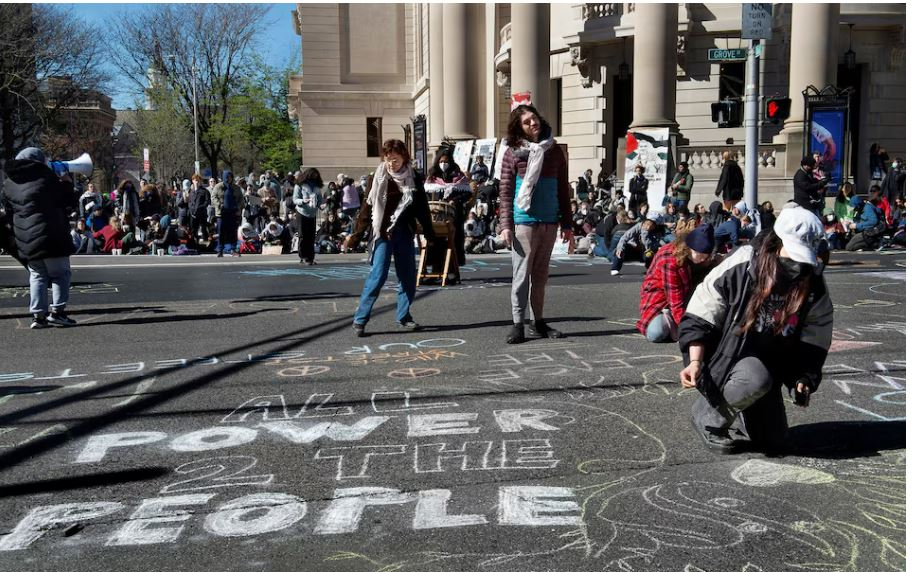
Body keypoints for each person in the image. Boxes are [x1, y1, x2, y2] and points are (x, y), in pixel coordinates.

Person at [679, 202, 833, 454]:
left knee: (774, 442)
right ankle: (708, 417)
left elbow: (817, 332)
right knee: (755, 378)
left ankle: (742, 410)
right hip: (727, 357)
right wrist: (695, 360)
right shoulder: (744, 263)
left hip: (770, 364)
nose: (796, 264)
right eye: (792, 254)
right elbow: (703, 309)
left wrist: (805, 376)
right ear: (778, 241)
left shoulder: (812, 280)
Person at [497, 104, 575, 343]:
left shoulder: (554, 150)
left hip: (549, 220)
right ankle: (517, 323)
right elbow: (506, 190)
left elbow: (563, 189)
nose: (533, 123)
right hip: (524, 221)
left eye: (535, 118)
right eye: (527, 121)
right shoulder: (512, 151)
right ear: (518, 128)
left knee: (540, 277)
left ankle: (537, 322)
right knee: (521, 275)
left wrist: (568, 224)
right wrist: (506, 225)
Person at [344, 139, 435, 336]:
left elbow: (422, 208)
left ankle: (404, 316)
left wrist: (429, 232)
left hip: (404, 231)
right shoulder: (376, 177)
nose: (391, 164)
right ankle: (360, 319)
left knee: (408, 276)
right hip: (382, 232)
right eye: (388, 160)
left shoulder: (413, 177)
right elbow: (366, 209)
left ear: (404, 158)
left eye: (395, 160)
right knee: (378, 275)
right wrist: (356, 236)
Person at [1, 147, 79, 328]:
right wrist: (67, 182)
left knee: (37, 275)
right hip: (50, 233)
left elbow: (9, 210)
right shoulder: (46, 178)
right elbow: (67, 201)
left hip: (25, 238)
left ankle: (38, 316)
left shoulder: (9, 184)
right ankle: (58, 313)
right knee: (60, 274)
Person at [637, 224, 716, 343]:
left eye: (706, 256)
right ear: (689, 247)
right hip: (660, 299)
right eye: (700, 255)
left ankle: (679, 323)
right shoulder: (669, 259)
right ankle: (675, 322)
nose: (702, 259)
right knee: (656, 333)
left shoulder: (695, 255)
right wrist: (689, 331)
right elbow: (675, 302)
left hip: (685, 292)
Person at [425, 147, 473, 269]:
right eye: (441, 161)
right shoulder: (432, 176)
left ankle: (452, 269)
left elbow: (467, 193)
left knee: (454, 242)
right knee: (436, 242)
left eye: (446, 162)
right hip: (436, 216)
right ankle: (435, 269)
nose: (443, 164)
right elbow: (425, 193)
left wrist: (454, 200)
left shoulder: (458, 175)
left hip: (454, 215)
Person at [609, 211, 665, 276]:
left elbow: (648, 246)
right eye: (647, 223)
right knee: (620, 250)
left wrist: (645, 232)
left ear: (655, 226)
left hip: (645, 251)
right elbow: (625, 237)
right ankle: (615, 268)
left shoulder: (657, 232)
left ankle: (650, 269)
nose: (648, 226)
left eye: (651, 225)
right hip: (634, 249)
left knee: (649, 254)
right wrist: (620, 248)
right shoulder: (639, 225)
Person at [293, 168, 324, 264]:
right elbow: (295, 199)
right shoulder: (299, 185)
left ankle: (311, 257)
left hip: (312, 213)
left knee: (311, 236)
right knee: (303, 235)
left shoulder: (317, 187)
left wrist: (321, 205)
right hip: (302, 212)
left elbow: (319, 200)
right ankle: (303, 256)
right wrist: (303, 201)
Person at [214, 170, 244, 257]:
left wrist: (238, 207)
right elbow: (213, 197)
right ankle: (220, 250)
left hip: (232, 213)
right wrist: (219, 205)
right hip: (221, 213)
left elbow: (241, 199)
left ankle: (233, 249)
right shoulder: (218, 187)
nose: (228, 179)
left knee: (233, 232)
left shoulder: (236, 188)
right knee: (221, 232)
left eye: (230, 177)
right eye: (226, 177)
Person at [188, 173, 211, 241]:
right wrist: (191, 209)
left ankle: (205, 242)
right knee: (193, 230)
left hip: (202, 214)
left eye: (198, 180)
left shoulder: (205, 191)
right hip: (193, 214)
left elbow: (207, 202)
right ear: (193, 181)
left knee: (204, 229)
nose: (197, 182)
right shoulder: (191, 191)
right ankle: (194, 243)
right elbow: (190, 201)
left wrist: (200, 208)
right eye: (195, 180)